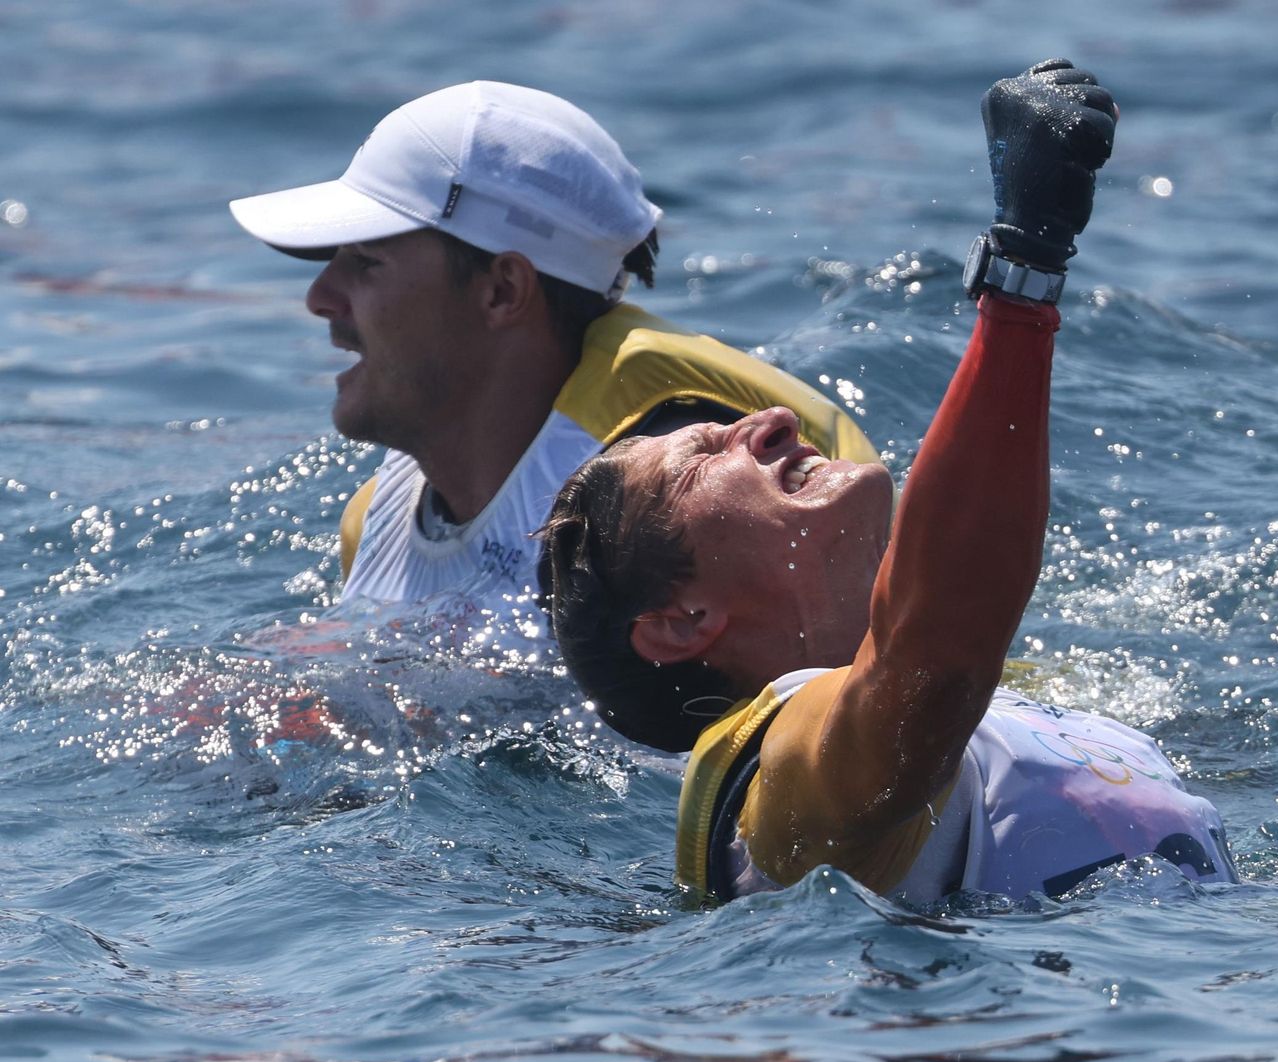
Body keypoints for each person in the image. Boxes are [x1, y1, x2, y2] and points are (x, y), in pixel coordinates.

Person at [542, 61, 1238, 903]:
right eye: (705, 454)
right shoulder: (785, 787)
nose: (772, 421)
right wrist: (1024, 268)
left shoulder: (1019, 707)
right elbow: (933, 661)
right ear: (683, 620)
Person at [229, 81, 875, 643]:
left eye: (365, 262)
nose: (319, 298)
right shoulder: (376, 524)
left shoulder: (680, 494)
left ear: (502, 290)